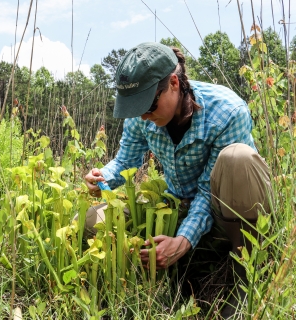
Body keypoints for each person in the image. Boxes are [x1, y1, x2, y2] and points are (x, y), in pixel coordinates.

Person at [83, 42, 272, 317]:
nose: (144, 115)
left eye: (148, 105)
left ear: (174, 82)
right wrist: (104, 177)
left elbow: (208, 194)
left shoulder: (228, 111)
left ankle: (245, 278)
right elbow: (126, 161)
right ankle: (138, 289)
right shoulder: (142, 116)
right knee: (91, 219)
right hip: (179, 207)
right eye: (137, 108)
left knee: (238, 159)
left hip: (226, 213)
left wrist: (182, 241)